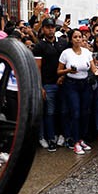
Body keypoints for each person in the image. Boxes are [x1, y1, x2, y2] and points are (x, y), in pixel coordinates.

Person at [58, 28, 96, 155]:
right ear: (71, 39)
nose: (78, 39)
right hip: (71, 84)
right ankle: (74, 142)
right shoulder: (66, 53)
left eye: (80, 37)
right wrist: (68, 71)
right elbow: (58, 71)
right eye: (75, 37)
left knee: (85, 112)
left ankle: (81, 139)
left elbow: (94, 69)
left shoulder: (86, 52)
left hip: (85, 84)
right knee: (75, 112)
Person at [34, 18, 66, 152]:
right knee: (50, 112)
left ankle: (62, 135)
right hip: (48, 83)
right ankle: (51, 137)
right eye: (47, 27)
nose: (50, 29)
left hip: (63, 82)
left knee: (63, 111)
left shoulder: (63, 43)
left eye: (52, 27)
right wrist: (40, 86)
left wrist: (63, 76)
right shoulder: (39, 46)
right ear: (43, 29)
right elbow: (37, 68)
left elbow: (67, 62)